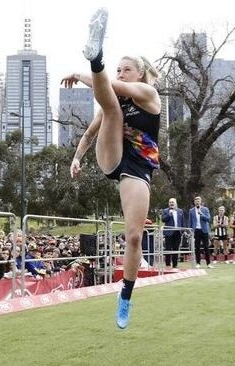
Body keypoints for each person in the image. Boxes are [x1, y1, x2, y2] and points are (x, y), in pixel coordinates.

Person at [64, 7, 161, 329]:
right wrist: (76, 157)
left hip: (138, 168)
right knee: (111, 111)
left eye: (127, 69)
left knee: (133, 237)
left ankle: (126, 297)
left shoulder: (149, 93)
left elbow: (115, 89)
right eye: (117, 69)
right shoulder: (112, 99)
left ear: (140, 73)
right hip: (111, 156)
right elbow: (90, 133)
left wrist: (82, 76)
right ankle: (96, 56)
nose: (121, 74)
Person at [189, 196, 214, 269]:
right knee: (197, 247)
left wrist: (201, 214)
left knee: (206, 247)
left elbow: (208, 219)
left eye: (198, 200)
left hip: (204, 230)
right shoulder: (191, 210)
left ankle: (208, 263)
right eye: (196, 201)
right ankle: (198, 263)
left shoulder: (205, 209)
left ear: (201, 201)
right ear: (194, 202)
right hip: (196, 230)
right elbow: (190, 222)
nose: (197, 202)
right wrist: (190, 231)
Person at [161, 198, 185, 269]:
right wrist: (169, 214)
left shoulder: (180, 211)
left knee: (176, 249)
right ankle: (168, 264)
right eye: (170, 202)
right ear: (169, 204)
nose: (171, 203)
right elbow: (163, 219)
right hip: (169, 232)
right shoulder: (165, 211)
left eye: (173, 202)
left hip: (178, 232)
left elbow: (182, 222)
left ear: (176, 203)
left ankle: (175, 265)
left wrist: (183, 231)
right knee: (168, 249)